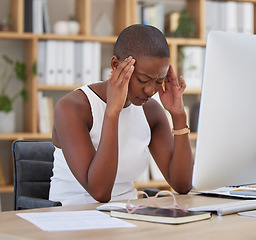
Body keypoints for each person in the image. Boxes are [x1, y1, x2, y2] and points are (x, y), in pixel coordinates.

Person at [49, 24, 194, 205]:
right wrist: (113, 112)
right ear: (116, 65)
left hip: (127, 215)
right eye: (142, 79)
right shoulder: (72, 108)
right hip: (72, 216)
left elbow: (182, 185)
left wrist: (178, 116)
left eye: (159, 81)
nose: (151, 90)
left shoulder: (151, 111)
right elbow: (100, 192)